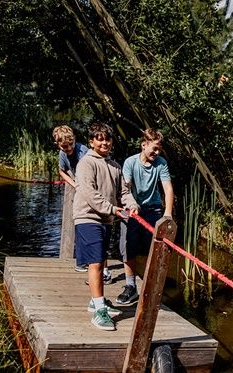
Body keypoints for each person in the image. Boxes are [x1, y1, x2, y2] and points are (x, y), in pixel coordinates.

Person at [74, 121, 138, 331]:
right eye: (99, 139)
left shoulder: (115, 165)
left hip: (106, 219)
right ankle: (99, 310)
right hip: (88, 217)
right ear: (91, 142)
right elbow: (89, 194)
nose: (104, 142)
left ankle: (96, 301)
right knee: (95, 263)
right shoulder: (86, 163)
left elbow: (123, 193)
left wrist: (132, 205)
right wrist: (112, 209)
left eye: (107, 138)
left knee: (101, 260)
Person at [116, 128, 175, 306]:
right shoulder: (130, 163)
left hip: (153, 209)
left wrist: (168, 215)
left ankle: (152, 286)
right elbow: (125, 189)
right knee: (127, 246)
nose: (156, 153)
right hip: (132, 208)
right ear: (144, 145)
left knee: (155, 248)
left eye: (159, 150)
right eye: (154, 149)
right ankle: (130, 286)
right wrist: (132, 206)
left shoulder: (161, 163)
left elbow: (168, 189)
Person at [53, 126, 112, 281]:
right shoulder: (62, 154)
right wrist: (74, 184)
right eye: (65, 146)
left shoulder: (83, 151)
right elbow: (61, 171)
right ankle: (82, 262)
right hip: (78, 188)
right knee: (80, 223)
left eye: (71, 144)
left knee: (100, 227)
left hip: (93, 189)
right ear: (58, 145)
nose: (69, 148)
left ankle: (103, 268)